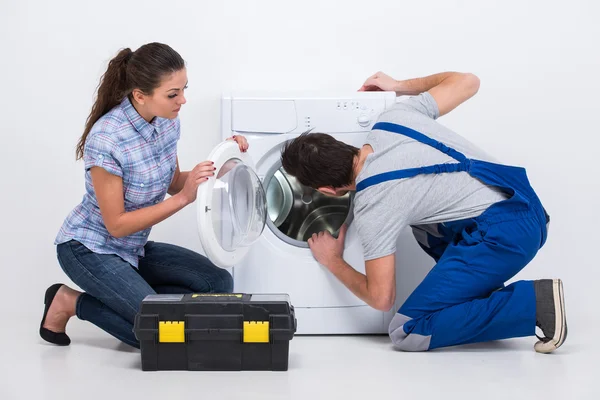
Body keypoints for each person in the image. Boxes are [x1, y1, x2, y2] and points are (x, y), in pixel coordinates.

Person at [280, 71, 567, 353]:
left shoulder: (373, 203)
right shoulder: (392, 119)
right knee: (424, 226)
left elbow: (382, 298)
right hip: (525, 205)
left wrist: (333, 260)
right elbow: (469, 81)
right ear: (340, 145)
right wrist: (399, 86)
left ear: (328, 190)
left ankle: (535, 304)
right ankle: (488, 302)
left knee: (408, 330)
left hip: (504, 234)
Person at [40, 43, 248, 348]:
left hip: (133, 247)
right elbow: (117, 225)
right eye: (173, 94)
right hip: (90, 248)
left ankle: (137, 300)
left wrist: (227, 160)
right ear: (140, 95)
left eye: (183, 89)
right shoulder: (107, 139)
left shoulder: (166, 122)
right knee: (164, 335)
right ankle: (69, 302)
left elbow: (175, 181)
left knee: (218, 284)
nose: (183, 100)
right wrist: (182, 200)